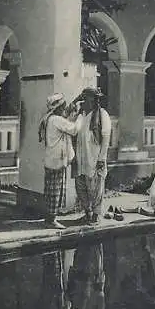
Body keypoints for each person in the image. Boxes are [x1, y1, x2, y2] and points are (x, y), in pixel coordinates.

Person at [38, 93, 81, 229]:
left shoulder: (49, 118)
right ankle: (51, 220)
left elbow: (65, 116)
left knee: (51, 190)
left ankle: (49, 218)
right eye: (62, 106)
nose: (64, 109)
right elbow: (74, 129)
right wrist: (80, 116)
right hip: (56, 160)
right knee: (55, 191)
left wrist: (76, 101)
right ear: (57, 108)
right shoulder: (56, 120)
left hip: (51, 159)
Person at [70, 87, 111, 225]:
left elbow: (105, 137)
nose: (85, 101)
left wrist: (101, 158)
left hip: (94, 156)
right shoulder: (80, 114)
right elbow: (69, 119)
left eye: (88, 98)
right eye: (84, 98)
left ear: (94, 100)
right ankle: (87, 212)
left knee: (96, 187)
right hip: (80, 156)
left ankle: (95, 215)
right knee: (80, 185)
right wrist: (75, 100)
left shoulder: (102, 114)